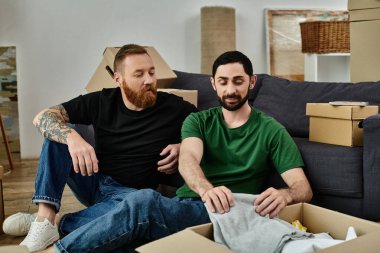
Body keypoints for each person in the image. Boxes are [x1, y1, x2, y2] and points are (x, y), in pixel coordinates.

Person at [37, 50, 312, 253]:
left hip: (226, 210)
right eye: (223, 82)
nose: (231, 90)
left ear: (251, 82)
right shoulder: (198, 121)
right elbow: (189, 160)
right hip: (183, 204)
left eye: (238, 81)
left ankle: (60, 244)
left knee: (140, 208)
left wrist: (284, 194)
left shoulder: (272, 130)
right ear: (213, 84)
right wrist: (205, 189)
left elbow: (302, 187)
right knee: (131, 226)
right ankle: (47, 219)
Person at [6, 44, 197, 252]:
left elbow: (207, 130)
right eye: (139, 74)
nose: (149, 80)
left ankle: (57, 223)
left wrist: (183, 147)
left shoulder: (175, 107)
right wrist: (72, 138)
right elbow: (42, 117)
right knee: (58, 133)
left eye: (152, 72)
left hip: (128, 196)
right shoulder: (102, 100)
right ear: (118, 79)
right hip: (93, 179)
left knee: (136, 212)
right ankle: (44, 217)